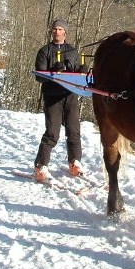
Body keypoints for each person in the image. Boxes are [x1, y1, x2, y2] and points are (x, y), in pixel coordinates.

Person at [33, 19, 87, 182]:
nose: (57, 31)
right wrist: (53, 72)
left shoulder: (72, 51)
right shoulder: (45, 51)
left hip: (70, 96)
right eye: (55, 29)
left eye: (60, 29)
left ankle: (75, 161)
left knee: (74, 130)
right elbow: (38, 76)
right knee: (52, 132)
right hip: (52, 96)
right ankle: (40, 165)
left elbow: (78, 73)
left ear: (65, 33)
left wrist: (82, 70)